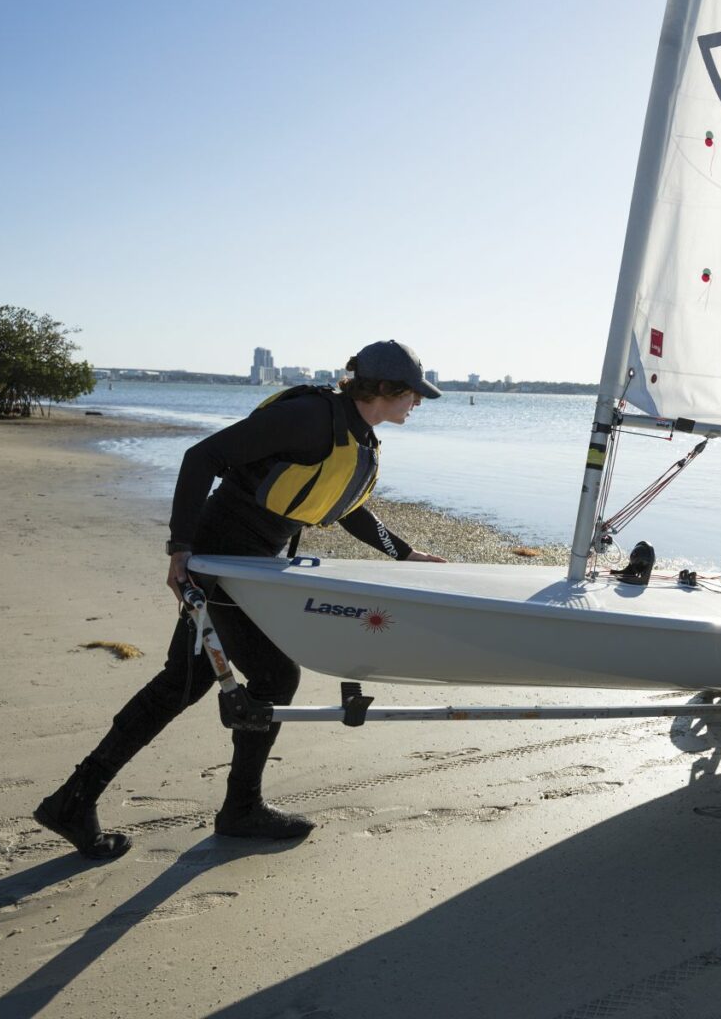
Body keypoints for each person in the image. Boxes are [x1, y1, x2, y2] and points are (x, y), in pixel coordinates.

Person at [35, 340, 447, 859]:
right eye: (413, 394)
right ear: (386, 389)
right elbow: (201, 456)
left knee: (182, 681)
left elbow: (344, 505)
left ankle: (73, 800)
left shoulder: (356, 432)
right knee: (274, 676)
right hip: (222, 562)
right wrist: (181, 549)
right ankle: (240, 809)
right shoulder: (309, 417)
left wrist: (405, 554)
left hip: (246, 566)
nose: (418, 403)